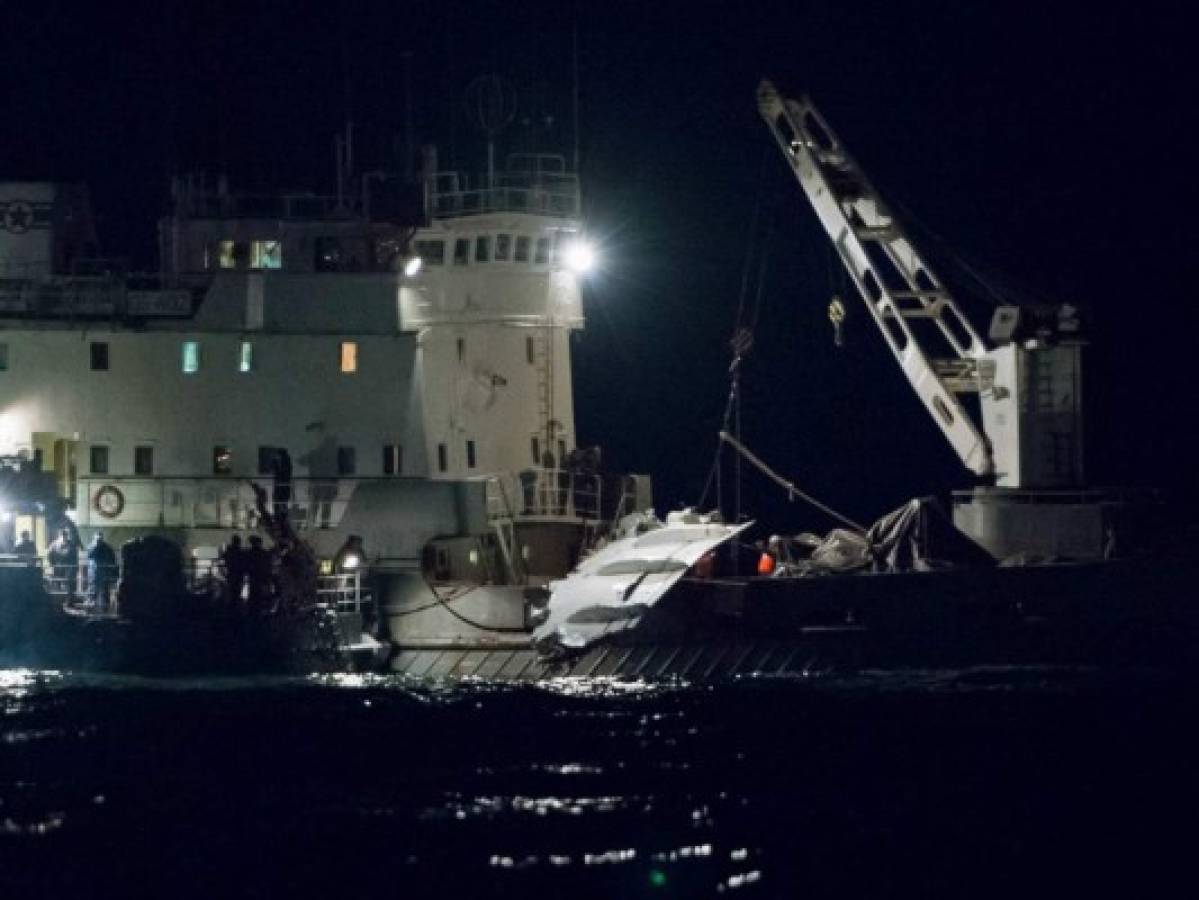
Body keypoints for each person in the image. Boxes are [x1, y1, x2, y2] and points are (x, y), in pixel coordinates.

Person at [87, 532, 117, 611]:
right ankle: (91, 607)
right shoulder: (91, 546)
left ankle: (105, 608)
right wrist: (95, 546)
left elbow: (113, 560)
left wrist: (111, 572)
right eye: (97, 539)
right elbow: (89, 555)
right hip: (94, 573)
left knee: (105, 592)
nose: (99, 540)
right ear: (94, 538)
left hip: (103, 573)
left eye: (100, 539)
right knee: (93, 591)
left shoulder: (108, 548)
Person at [244, 535, 273, 614]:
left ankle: (253, 611)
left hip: (254, 577)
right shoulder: (265, 554)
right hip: (262, 578)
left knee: (253, 594)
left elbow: (246, 565)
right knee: (261, 594)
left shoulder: (249, 553)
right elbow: (269, 566)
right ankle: (260, 610)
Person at [46, 528, 80, 596]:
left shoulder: (70, 544)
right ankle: (60, 599)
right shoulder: (55, 544)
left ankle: (68, 600)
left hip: (67, 567)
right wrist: (53, 564)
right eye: (63, 535)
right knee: (59, 583)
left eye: (65, 535)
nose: (64, 537)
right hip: (60, 567)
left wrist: (75, 567)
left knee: (69, 584)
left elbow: (75, 556)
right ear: (60, 536)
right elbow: (49, 555)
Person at [220, 534, 247, 603]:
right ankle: (235, 602)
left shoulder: (229, 551)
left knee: (232, 590)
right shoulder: (241, 552)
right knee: (237, 590)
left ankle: (232, 603)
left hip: (231, 573)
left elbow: (223, 557)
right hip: (238, 573)